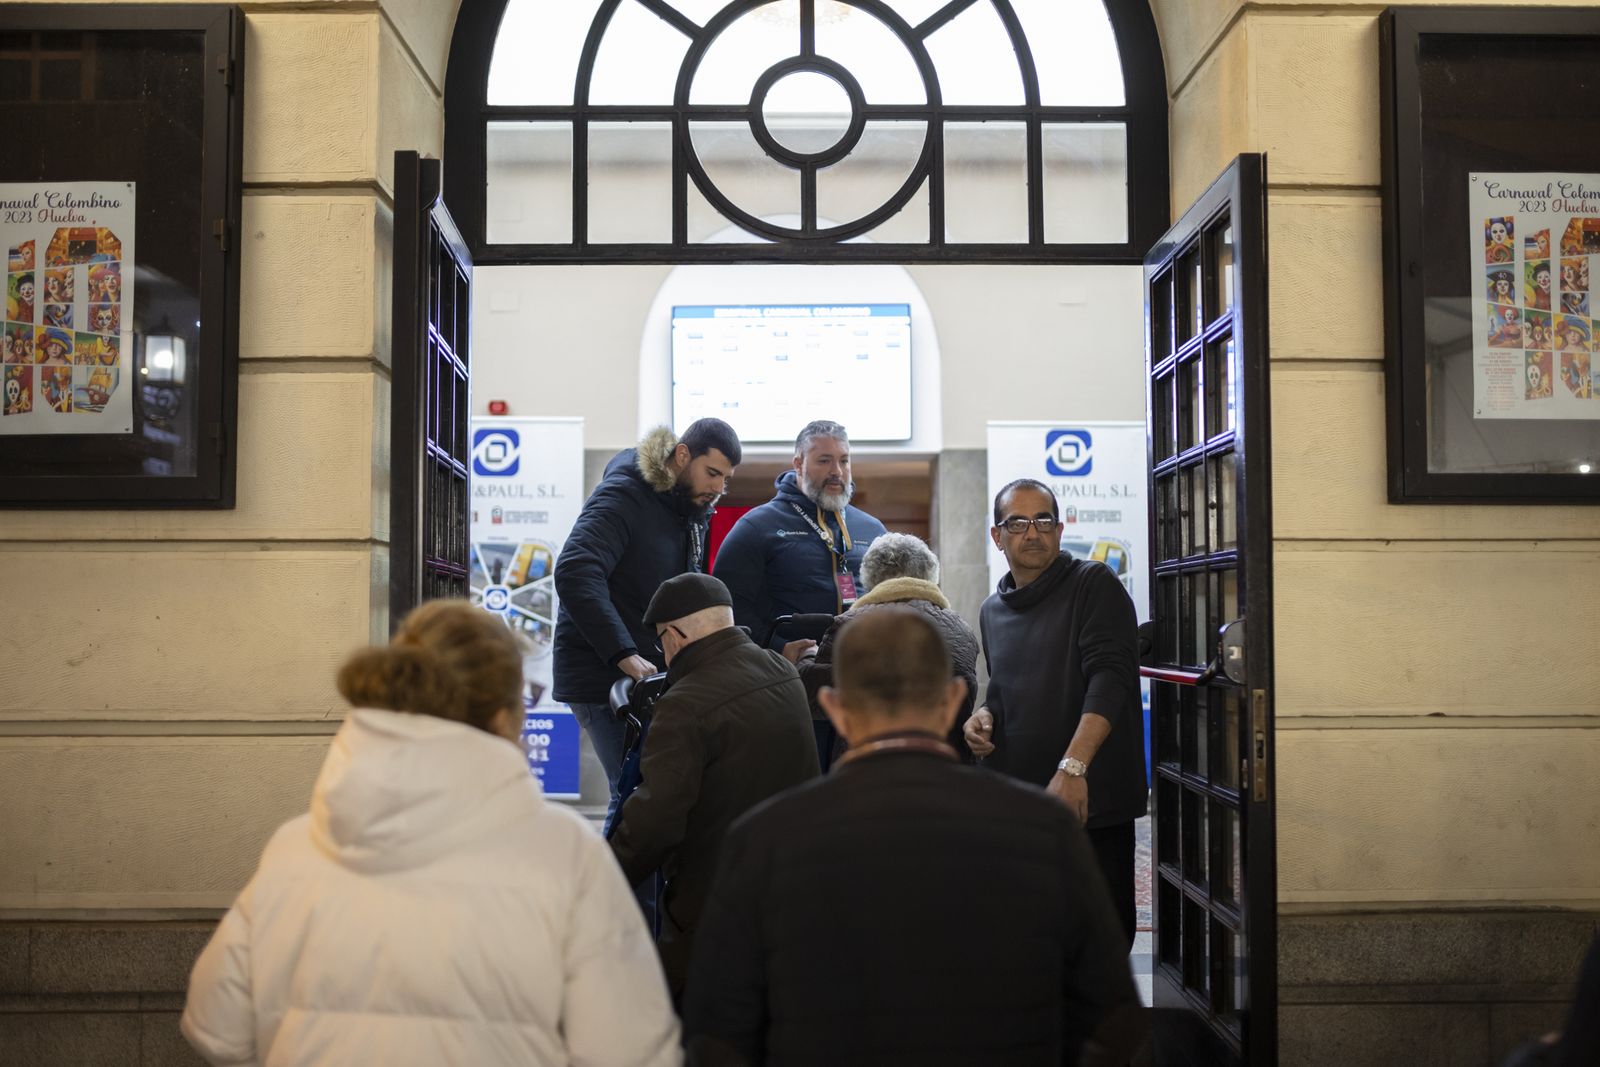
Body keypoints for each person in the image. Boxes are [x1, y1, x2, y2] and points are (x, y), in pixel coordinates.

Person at [180, 600, 682, 1067]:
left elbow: (215, 1029)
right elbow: (631, 1051)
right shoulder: (564, 855)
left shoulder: (296, 848)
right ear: (506, 715)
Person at [684, 608, 1145, 1067]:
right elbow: (1112, 1018)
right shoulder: (1044, 827)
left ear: (835, 709)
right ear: (952, 702)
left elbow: (719, 1034)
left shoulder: (763, 838)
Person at [609, 573, 819, 999]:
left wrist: (602, 875)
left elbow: (656, 821)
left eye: (660, 642)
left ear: (675, 634)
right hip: (791, 888)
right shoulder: (779, 668)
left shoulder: (686, 702)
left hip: (714, 904)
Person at [965, 478, 1148, 947]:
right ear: (997, 535)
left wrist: (1073, 767)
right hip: (1023, 800)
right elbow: (1005, 690)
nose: (1033, 532)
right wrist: (984, 715)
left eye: (1043, 520)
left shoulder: (1092, 584)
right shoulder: (992, 609)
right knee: (1032, 935)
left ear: (1060, 528)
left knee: (1101, 936)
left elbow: (1111, 679)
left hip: (1088, 798)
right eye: (1018, 522)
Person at [554, 418, 741, 826]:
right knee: (635, 798)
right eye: (712, 473)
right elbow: (575, 570)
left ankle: (638, 889)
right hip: (606, 675)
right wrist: (624, 654)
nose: (718, 488)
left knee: (647, 795)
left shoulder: (691, 509)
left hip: (651, 674)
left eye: (725, 480)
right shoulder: (625, 495)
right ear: (682, 455)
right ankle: (616, 890)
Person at [795, 532, 979, 769]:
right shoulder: (962, 628)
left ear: (871, 577)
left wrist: (806, 656)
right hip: (950, 768)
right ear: (930, 574)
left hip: (870, 769)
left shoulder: (849, 625)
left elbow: (812, 698)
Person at [713, 419, 887, 653]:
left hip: (860, 666)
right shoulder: (756, 527)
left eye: (844, 461)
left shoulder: (872, 529)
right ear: (798, 464)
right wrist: (777, 649)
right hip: (785, 675)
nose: (836, 471)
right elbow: (729, 607)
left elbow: (892, 600)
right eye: (824, 461)